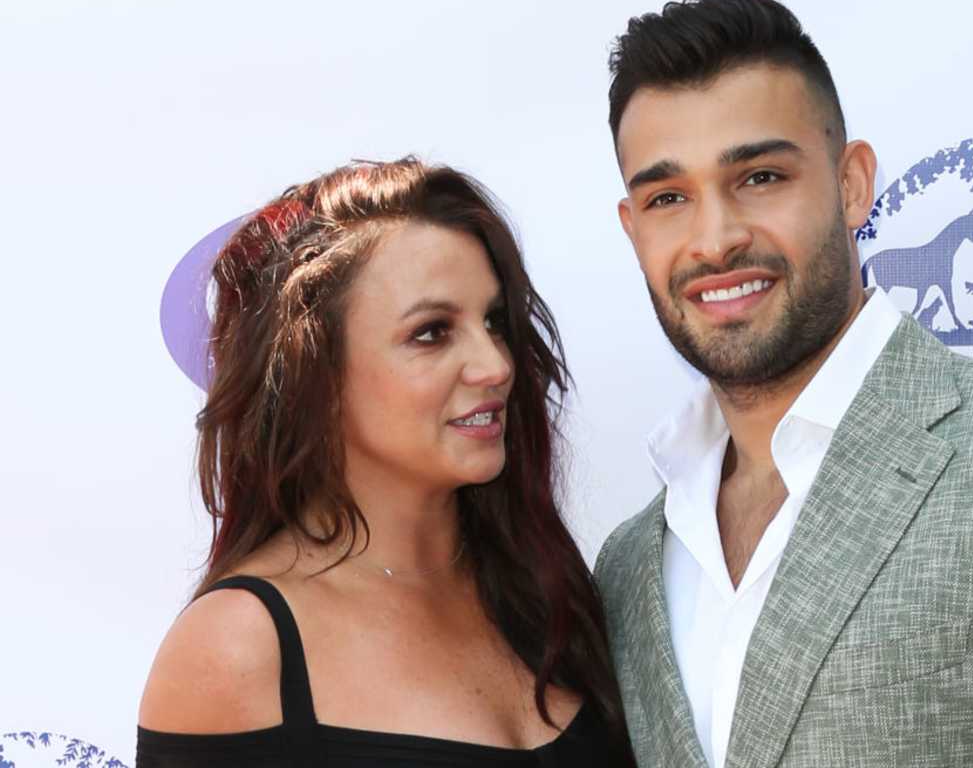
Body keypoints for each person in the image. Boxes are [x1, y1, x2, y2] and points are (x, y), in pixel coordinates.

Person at [593, 0, 973, 768]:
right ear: (632, 227)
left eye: (761, 177)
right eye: (669, 198)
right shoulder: (629, 564)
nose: (715, 240)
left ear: (852, 185)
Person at [137, 159, 634, 767]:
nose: (496, 366)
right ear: (315, 376)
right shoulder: (240, 646)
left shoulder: (547, 591)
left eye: (494, 322)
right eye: (431, 332)